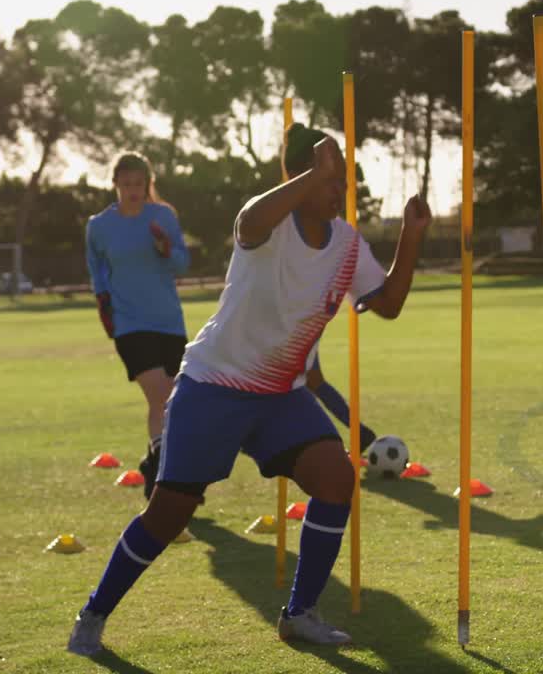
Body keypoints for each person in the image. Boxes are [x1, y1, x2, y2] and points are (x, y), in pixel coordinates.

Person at [67, 123, 431, 655]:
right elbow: (247, 221)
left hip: (281, 395)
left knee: (336, 479)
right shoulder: (268, 224)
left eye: (344, 182)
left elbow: (389, 304)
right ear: (301, 178)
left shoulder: (347, 245)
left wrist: (411, 236)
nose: (340, 191)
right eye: (331, 181)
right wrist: (311, 175)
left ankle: (300, 614)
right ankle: (93, 615)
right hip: (212, 385)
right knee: (169, 514)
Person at [86, 152, 190, 501]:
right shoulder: (99, 226)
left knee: (173, 402)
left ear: (148, 184)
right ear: (115, 183)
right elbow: (97, 272)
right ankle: (166, 476)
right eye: (126, 184)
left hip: (168, 321)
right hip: (129, 324)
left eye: (139, 184)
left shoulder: (163, 217)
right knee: (160, 394)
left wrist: (165, 249)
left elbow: (182, 263)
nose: (133, 191)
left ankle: (154, 464)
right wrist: (104, 306)